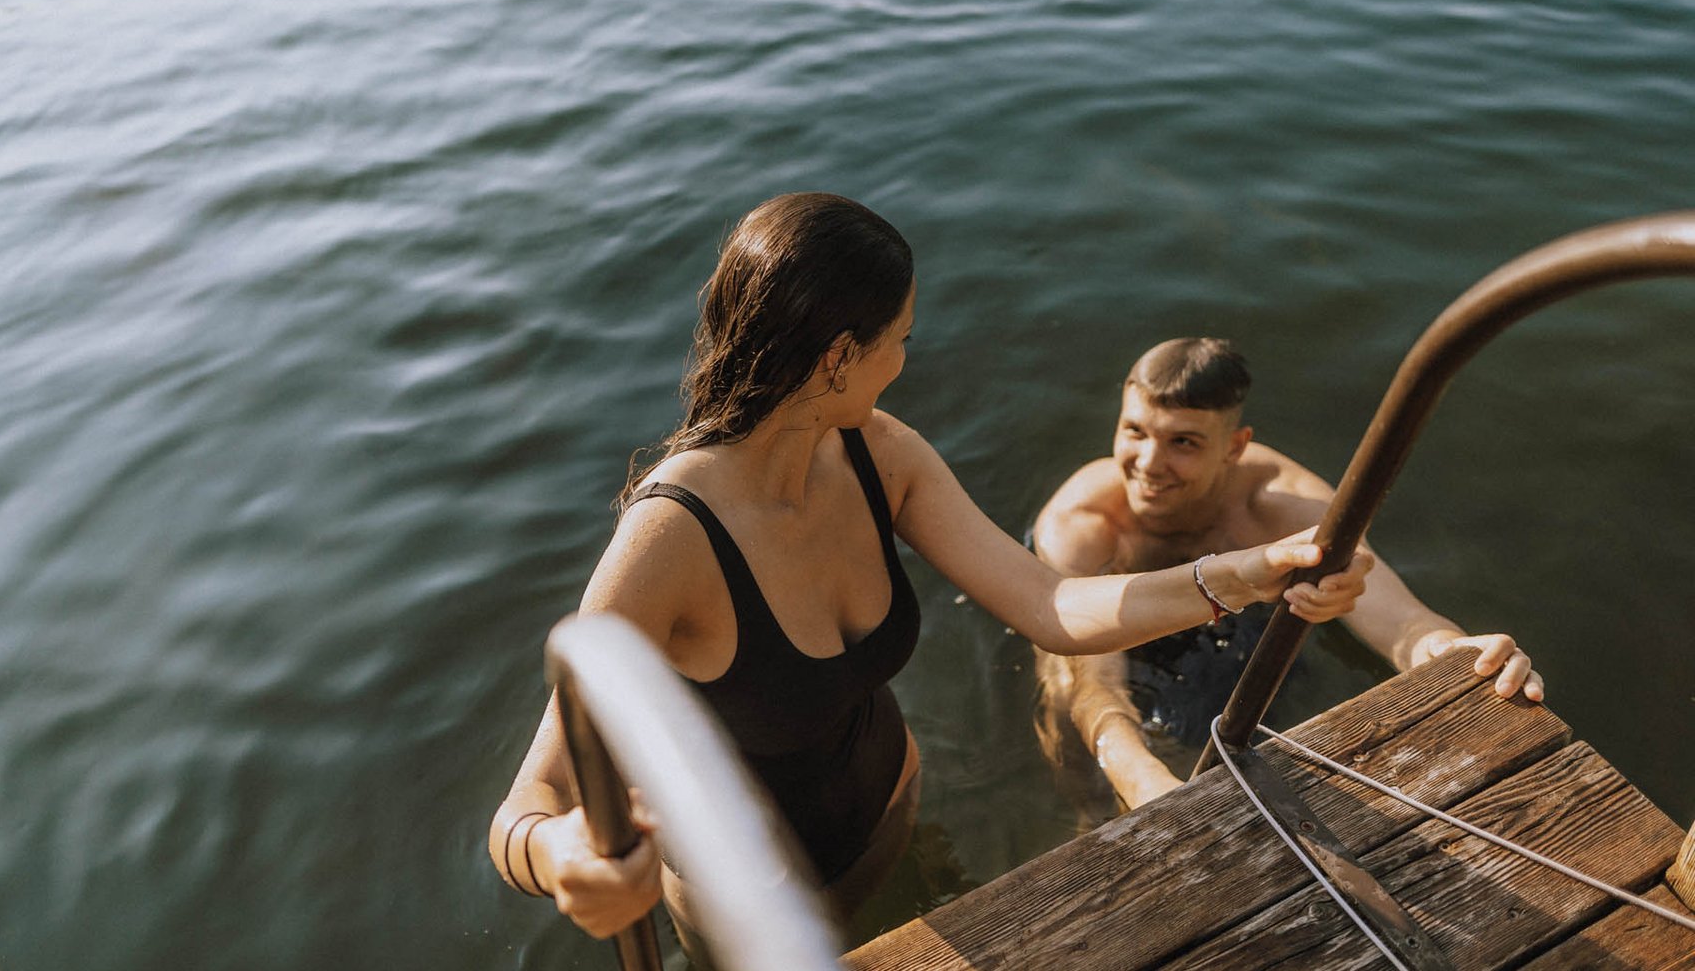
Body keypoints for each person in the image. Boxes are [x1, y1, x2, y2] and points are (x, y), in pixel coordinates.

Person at [486, 196, 1375, 962]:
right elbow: (529, 804)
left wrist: (1252, 571)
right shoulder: (672, 536)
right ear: (840, 356)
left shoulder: (879, 451)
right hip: (758, 911)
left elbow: (1050, 604)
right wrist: (565, 854)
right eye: (899, 340)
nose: (904, 360)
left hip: (898, 813)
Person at [1030, 337, 1545, 813]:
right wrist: (1143, 781)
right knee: (1070, 731)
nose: (1148, 463)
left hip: (1248, 638)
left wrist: (1450, 652)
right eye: (1134, 431)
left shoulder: (1283, 504)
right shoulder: (1081, 524)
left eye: (1183, 442)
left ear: (1235, 446)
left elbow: (1399, 621)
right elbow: (1085, 677)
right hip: (1127, 645)